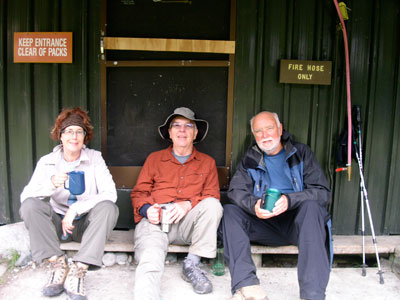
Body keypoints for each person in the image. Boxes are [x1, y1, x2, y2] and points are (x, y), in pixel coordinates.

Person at [220, 111, 331, 300]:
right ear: (254, 135)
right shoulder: (251, 158)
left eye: (269, 128)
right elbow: (235, 191)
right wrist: (254, 205)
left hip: (298, 225)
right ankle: (247, 287)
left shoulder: (301, 153)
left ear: (280, 129)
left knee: (312, 208)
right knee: (230, 211)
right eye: (258, 131)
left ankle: (312, 295)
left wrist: (289, 200)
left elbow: (322, 193)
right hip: (264, 223)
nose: (265, 135)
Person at [20, 107, 119, 300]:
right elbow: (26, 197)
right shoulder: (47, 162)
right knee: (30, 205)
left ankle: (79, 270)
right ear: (60, 135)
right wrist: (50, 185)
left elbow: (110, 193)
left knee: (108, 208)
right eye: (69, 131)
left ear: (85, 136)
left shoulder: (95, 159)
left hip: (84, 225)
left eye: (79, 131)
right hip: (57, 225)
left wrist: (76, 208)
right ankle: (58, 263)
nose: (74, 137)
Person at [131, 107, 223, 300]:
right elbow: (139, 193)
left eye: (188, 125)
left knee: (213, 205)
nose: (182, 130)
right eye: (177, 125)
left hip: (188, 224)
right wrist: (148, 210)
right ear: (170, 133)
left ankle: (192, 263)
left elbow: (212, 195)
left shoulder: (207, 162)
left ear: (195, 133)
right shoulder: (154, 159)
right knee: (150, 260)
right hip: (156, 221)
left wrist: (188, 204)